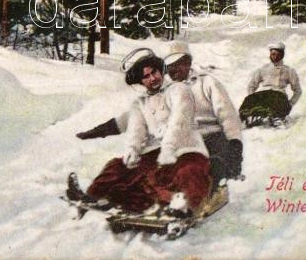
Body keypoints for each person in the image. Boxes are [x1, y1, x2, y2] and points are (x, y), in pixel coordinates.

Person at [68, 51, 211, 216]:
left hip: (186, 148)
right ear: (140, 81)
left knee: (187, 172)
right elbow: (136, 130)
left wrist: (169, 148)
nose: (152, 78)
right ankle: (92, 197)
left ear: (160, 70)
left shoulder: (178, 89)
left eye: (154, 72)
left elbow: (180, 120)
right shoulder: (140, 103)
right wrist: (133, 150)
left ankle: (184, 208)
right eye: (146, 77)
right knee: (118, 167)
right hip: (156, 152)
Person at [162, 41, 243, 186]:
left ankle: (218, 181)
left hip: (212, 137)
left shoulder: (207, 83)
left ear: (188, 63)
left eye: (178, 64)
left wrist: (235, 141)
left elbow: (227, 114)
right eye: (169, 66)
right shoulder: (167, 91)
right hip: (184, 143)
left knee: (216, 164)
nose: (173, 70)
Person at [239, 42, 302, 126]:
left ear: (282, 55)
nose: (275, 56)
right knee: (248, 101)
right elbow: (251, 86)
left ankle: (277, 119)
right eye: (273, 54)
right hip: (263, 95)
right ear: (270, 55)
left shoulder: (289, 70)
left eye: (278, 54)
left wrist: (290, 104)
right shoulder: (263, 69)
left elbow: (298, 90)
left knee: (276, 101)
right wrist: (253, 97)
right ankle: (244, 120)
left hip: (279, 95)